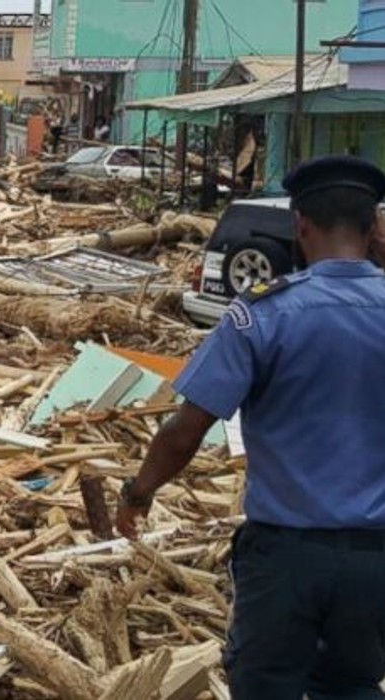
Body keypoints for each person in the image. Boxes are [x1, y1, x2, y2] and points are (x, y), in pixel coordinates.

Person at [113, 155, 385, 700]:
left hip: (286, 558)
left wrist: (137, 493)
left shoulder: (264, 314)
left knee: (266, 685)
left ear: (300, 225)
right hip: (375, 560)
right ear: (374, 227)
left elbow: (184, 431)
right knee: (353, 685)